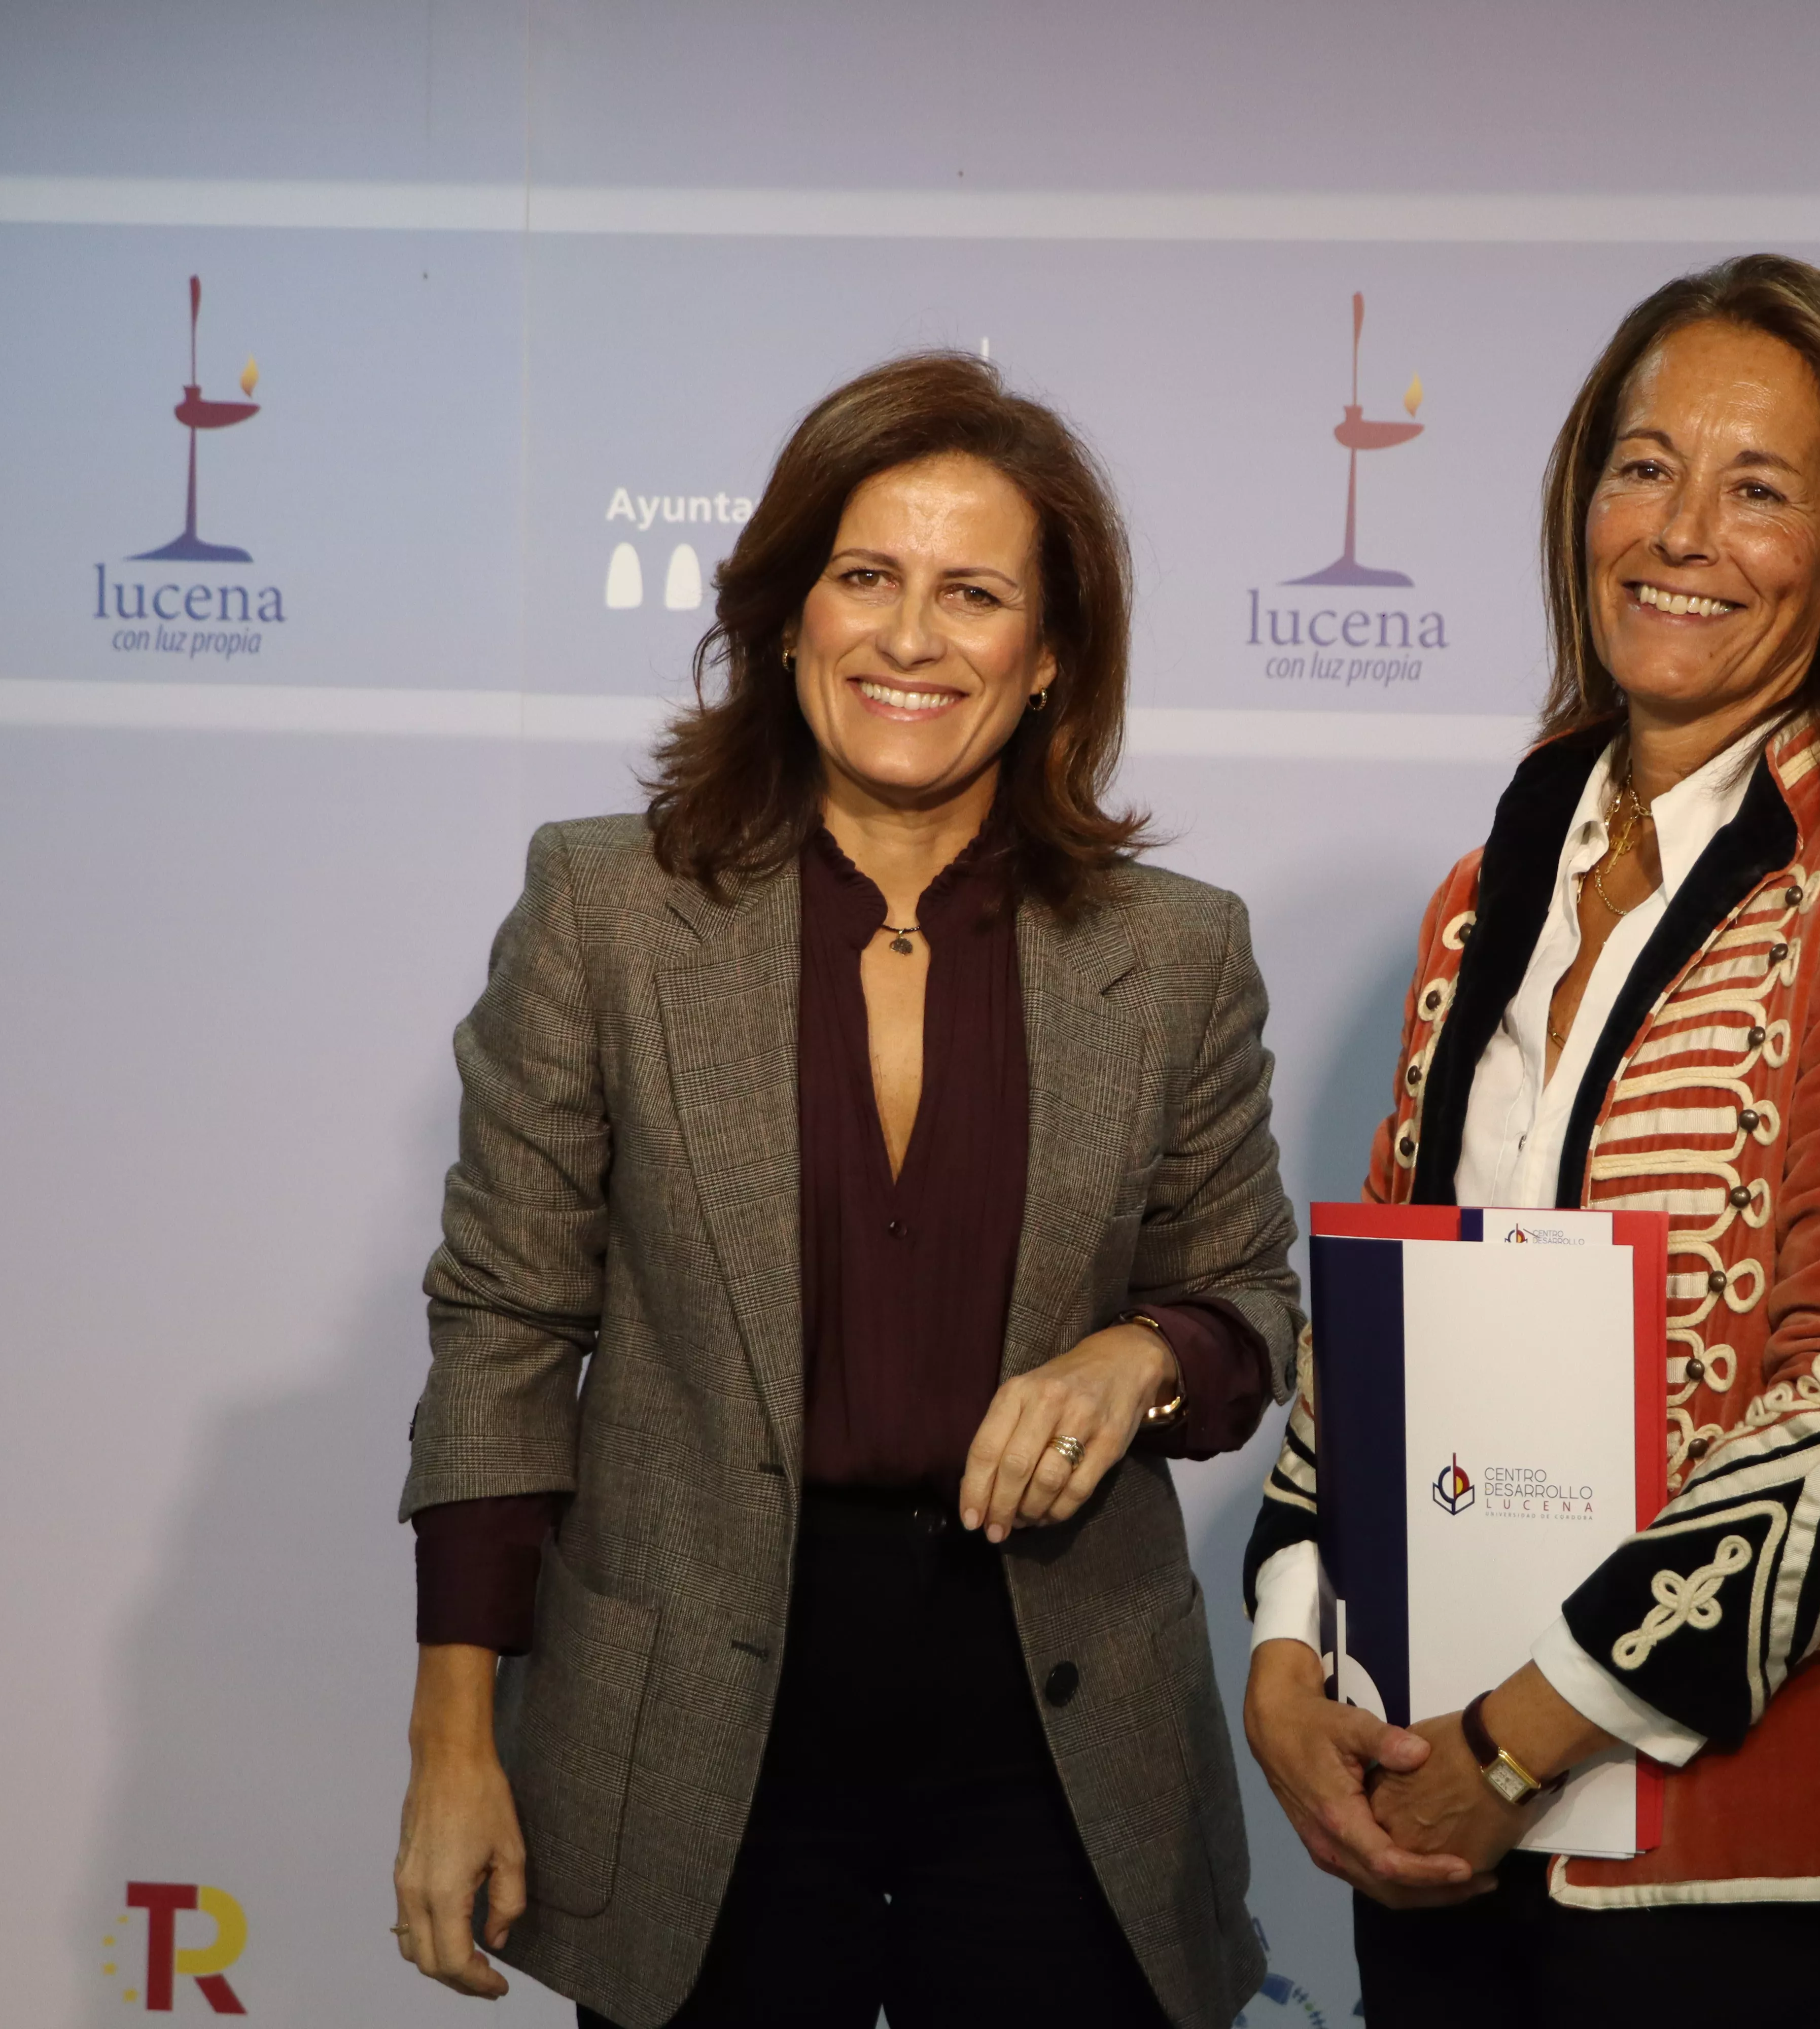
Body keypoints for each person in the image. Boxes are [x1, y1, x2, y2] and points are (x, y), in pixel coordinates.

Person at [392, 351, 1299, 2029]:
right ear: (785, 615)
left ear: (1047, 662)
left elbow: (1247, 1302)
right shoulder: (604, 910)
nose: (907, 637)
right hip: (699, 1754)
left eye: (973, 594)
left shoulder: (1174, 955)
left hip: (1059, 1743)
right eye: (865, 576)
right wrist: (458, 1742)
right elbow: (506, 1334)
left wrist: (1141, 1357)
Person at [1239, 254, 1820, 2027]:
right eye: (1643, 466)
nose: (1682, 530)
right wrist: (1290, 1650)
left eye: (1759, 489)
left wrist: (1521, 1736)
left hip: (1738, 1862)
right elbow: (1391, 1301)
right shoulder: (1490, 888)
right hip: (1430, 1815)